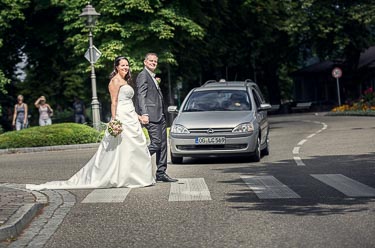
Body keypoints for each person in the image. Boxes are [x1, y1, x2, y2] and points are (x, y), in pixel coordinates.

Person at [26, 56, 155, 190]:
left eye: (127, 65)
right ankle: (121, 176)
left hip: (131, 116)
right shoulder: (115, 81)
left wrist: (138, 116)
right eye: (122, 65)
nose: (125, 67)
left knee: (134, 146)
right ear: (116, 67)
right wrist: (115, 120)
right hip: (122, 117)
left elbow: (128, 102)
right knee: (122, 147)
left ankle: (136, 176)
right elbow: (114, 102)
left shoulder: (125, 80)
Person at [136, 53, 178, 182]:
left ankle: (161, 173)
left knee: (163, 145)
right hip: (151, 116)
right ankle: (136, 160)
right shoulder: (143, 75)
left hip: (160, 116)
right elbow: (141, 96)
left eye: (155, 61)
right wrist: (144, 114)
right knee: (156, 143)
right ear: (145, 62)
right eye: (151, 61)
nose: (153, 63)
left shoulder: (152, 76)